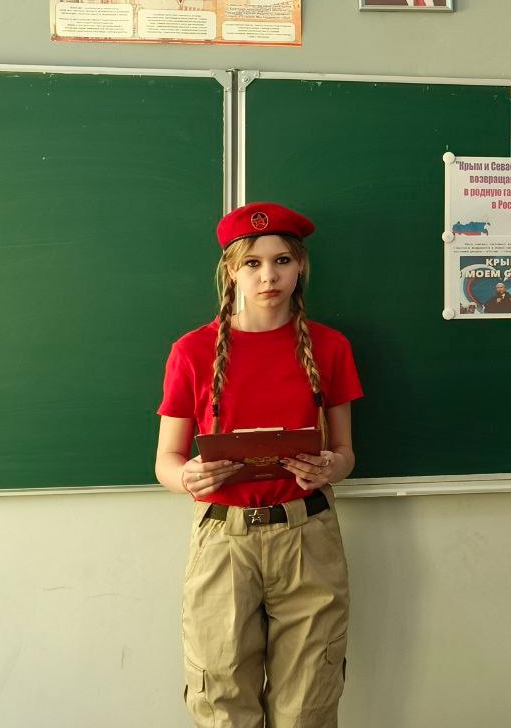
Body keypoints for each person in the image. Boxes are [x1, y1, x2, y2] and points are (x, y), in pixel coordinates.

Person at [154, 201, 364, 728]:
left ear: (301, 267)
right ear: (231, 270)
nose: (268, 276)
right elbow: (166, 461)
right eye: (252, 262)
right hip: (223, 540)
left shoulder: (330, 347)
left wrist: (330, 468)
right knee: (222, 699)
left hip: (307, 535)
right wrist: (187, 476)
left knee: (308, 704)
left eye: (282, 261)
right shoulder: (192, 351)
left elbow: (346, 453)